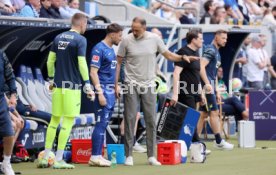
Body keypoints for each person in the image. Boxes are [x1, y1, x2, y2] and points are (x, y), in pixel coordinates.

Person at [115, 17, 198, 166]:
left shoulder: (155, 39)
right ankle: (129, 155)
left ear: (144, 28)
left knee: (151, 120)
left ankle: (151, 156)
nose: (134, 31)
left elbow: (168, 55)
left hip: (149, 84)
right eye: (133, 29)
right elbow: (119, 62)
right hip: (130, 84)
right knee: (130, 118)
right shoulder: (126, 40)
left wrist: (181, 57)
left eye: (137, 29)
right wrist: (116, 85)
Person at [37, 13, 94, 169]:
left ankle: (45, 157)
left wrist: (50, 79)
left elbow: (50, 61)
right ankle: (58, 159)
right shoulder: (81, 40)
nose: (86, 27)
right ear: (82, 24)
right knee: (68, 122)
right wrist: (87, 84)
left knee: (54, 121)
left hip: (57, 86)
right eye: (86, 24)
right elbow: (82, 63)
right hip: (72, 87)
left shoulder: (58, 37)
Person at [88, 23, 123, 167]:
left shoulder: (111, 50)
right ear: (112, 34)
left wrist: (116, 86)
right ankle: (94, 156)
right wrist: (100, 93)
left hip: (110, 90)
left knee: (104, 124)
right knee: (101, 123)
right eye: (120, 35)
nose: (121, 39)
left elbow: (113, 71)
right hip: (102, 90)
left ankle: (98, 155)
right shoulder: (99, 49)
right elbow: (93, 72)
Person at [198, 29, 234, 150]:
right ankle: (219, 141)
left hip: (211, 87)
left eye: (226, 39)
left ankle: (194, 142)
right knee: (214, 113)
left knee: (203, 115)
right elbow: (201, 67)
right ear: (216, 37)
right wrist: (208, 85)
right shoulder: (210, 50)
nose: (225, 41)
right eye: (223, 38)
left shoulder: (217, 53)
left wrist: (217, 90)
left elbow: (213, 74)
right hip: (206, 87)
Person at [170, 29, 202, 143]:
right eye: (200, 38)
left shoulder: (196, 53)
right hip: (185, 91)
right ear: (193, 40)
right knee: (191, 118)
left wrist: (200, 93)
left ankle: (188, 143)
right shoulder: (183, 52)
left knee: (192, 118)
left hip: (194, 91)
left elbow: (196, 74)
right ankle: (196, 143)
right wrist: (175, 94)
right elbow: (176, 73)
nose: (202, 41)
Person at [0, 49, 17, 175]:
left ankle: (6, 163)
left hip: (0, 98)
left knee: (9, 132)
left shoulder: (1, 54)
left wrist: (13, 94)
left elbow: (10, 75)